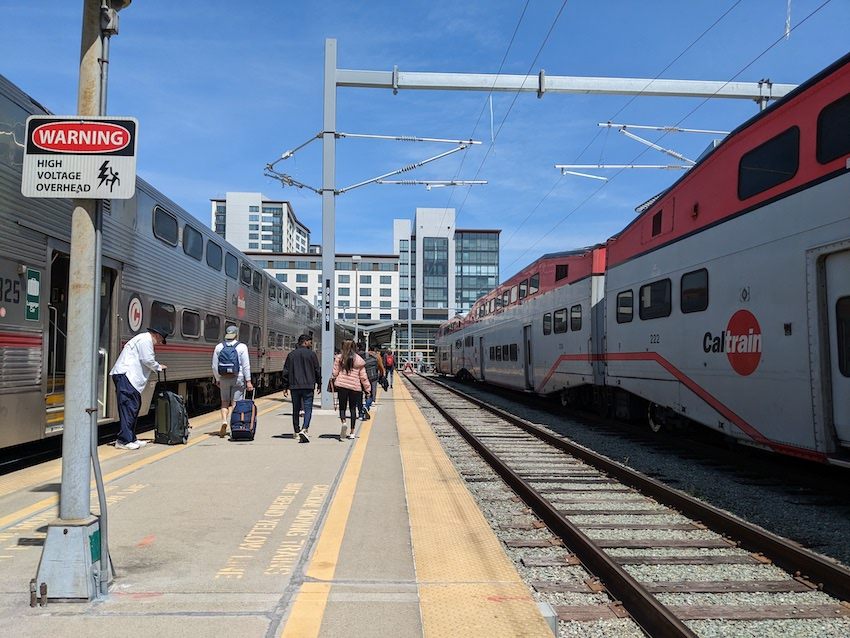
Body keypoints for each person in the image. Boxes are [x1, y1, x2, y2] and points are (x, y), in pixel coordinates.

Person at [109, 327, 168, 450]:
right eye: (161, 339)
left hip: (129, 378)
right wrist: (158, 366)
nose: (159, 342)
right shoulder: (145, 340)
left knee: (133, 407)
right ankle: (123, 440)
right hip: (126, 376)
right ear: (157, 335)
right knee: (128, 407)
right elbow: (147, 359)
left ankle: (131, 438)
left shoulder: (143, 339)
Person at [212, 325, 253, 438]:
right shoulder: (242, 347)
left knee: (224, 402)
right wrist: (248, 381)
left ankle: (224, 420)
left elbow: (214, 366)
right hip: (238, 378)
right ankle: (233, 426)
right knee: (236, 404)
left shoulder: (219, 347)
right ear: (236, 334)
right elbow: (246, 366)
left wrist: (218, 378)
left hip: (224, 377)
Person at [282, 333, 321, 442]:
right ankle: (304, 429)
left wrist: (285, 387)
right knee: (308, 408)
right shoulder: (312, 354)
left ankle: (296, 431)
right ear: (305, 342)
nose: (311, 343)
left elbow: (286, 371)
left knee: (296, 408)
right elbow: (317, 370)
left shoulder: (291, 355)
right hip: (308, 386)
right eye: (310, 341)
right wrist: (319, 384)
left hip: (294, 386)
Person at [331, 339, 370, 440]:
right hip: (354, 387)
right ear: (354, 347)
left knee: (342, 407)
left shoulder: (339, 358)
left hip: (342, 385)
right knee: (353, 409)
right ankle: (352, 433)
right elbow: (363, 377)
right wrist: (367, 389)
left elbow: (335, 373)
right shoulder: (359, 360)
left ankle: (344, 422)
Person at [356, 341, 384, 420]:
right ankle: (367, 406)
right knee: (371, 393)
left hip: (360, 377)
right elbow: (381, 367)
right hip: (372, 376)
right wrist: (382, 375)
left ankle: (360, 413)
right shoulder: (375, 356)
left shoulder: (356, 356)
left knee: (359, 394)